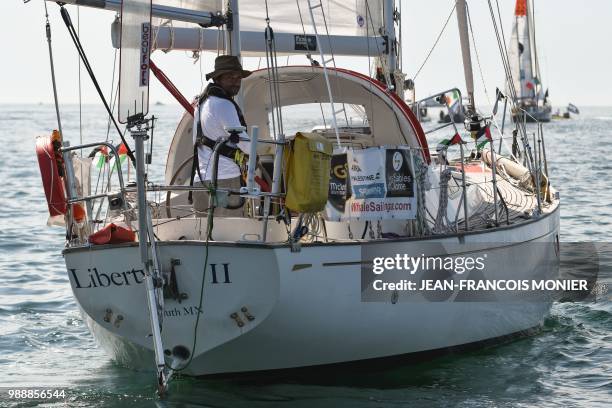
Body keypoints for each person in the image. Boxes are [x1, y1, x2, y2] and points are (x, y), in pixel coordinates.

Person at [191, 55, 252, 217]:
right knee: (230, 235)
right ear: (218, 78)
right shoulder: (224, 105)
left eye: (238, 77)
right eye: (230, 76)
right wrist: (256, 152)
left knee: (203, 234)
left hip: (200, 181)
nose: (236, 81)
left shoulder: (202, 104)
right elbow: (246, 145)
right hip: (225, 180)